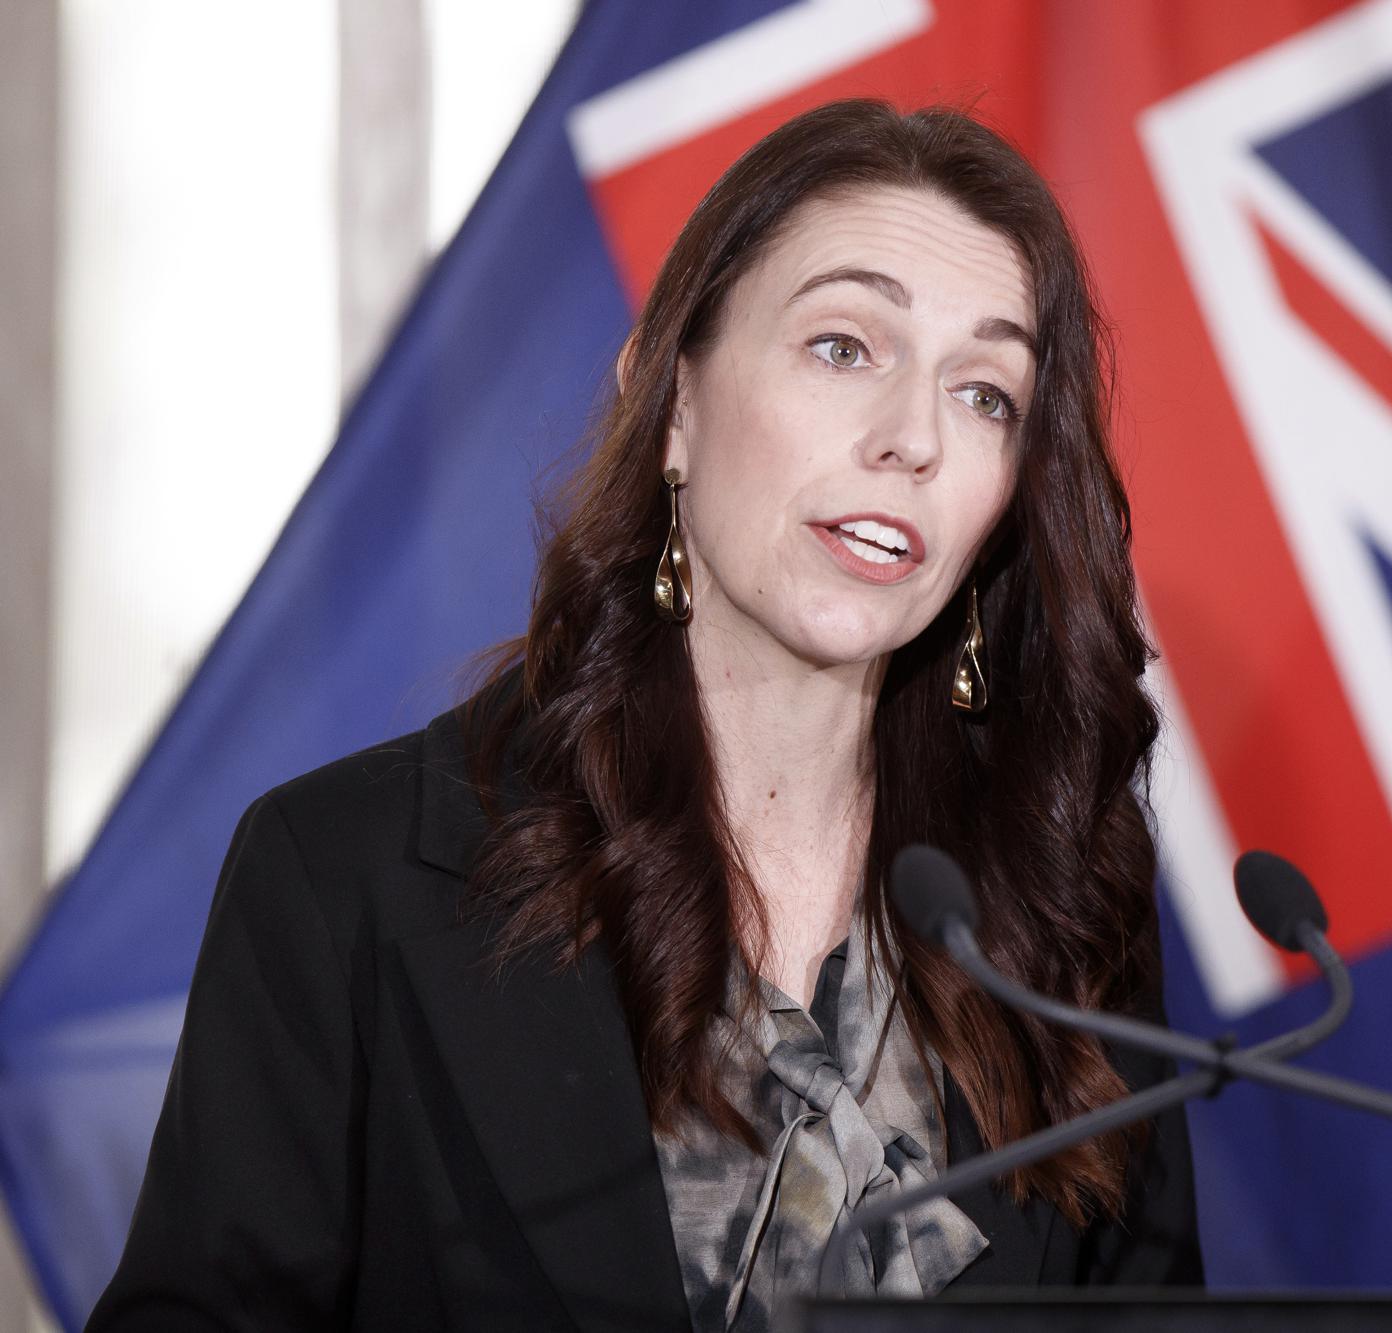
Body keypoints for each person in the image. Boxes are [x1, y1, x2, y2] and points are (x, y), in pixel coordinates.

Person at [88, 98, 1203, 1331]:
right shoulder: (346, 876)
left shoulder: (1059, 908)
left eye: (985, 393)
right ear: (672, 402)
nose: (912, 439)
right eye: (844, 346)